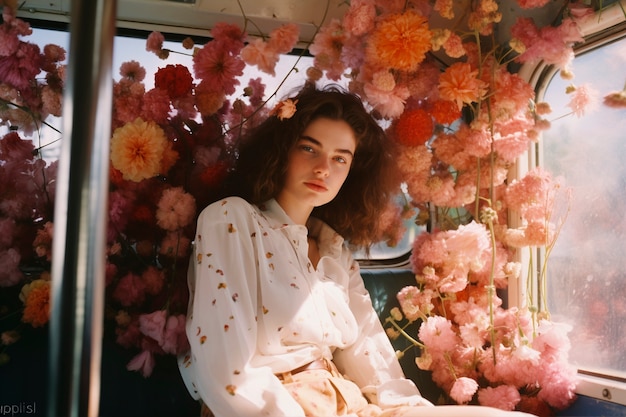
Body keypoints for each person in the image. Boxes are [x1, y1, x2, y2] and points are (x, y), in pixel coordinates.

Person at [177, 84, 536, 417]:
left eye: (340, 158)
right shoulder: (231, 219)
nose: (323, 168)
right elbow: (227, 372)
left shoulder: (335, 251)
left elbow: (369, 352)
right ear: (281, 150)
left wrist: (412, 411)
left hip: (350, 403)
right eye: (309, 147)